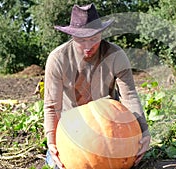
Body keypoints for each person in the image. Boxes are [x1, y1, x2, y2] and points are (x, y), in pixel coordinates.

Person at [43, 3, 151, 169]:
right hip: (73, 130)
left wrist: (144, 132)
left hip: (111, 126)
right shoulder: (58, 59)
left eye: (93, 39)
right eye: (81, 40)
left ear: (101, 33)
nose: (88, 47)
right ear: (72, 36)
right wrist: (51, 141)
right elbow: (51, 106)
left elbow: (129, 95)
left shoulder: (115, 55)